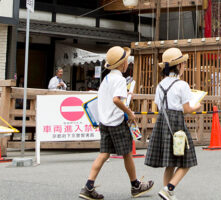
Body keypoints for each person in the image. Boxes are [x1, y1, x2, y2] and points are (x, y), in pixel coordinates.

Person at [79, 47, 153, 200]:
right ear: (122, 64)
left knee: (104, 154)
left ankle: (88, 186)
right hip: (117, 122)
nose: (127, 62)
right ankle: (135, 185)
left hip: (105, 122)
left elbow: (111, 98)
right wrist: (129, 112)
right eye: (126, 60)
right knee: (127, 154)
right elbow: (116, 100)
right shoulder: (119, 79)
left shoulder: (106, 79)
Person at [145, 47, 201, 200]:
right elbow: (187, 108)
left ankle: (167, 192)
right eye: (183, 63)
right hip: (176, 122)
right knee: (187, 161)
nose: (184, 66)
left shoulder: (160, 85)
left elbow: (158, 104)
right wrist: (197, 106)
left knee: (170, 162)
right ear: (179, 66)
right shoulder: (182, 85)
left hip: (163, 121)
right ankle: (168, 189)